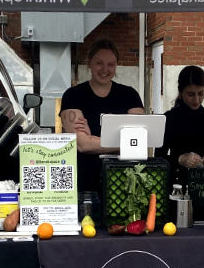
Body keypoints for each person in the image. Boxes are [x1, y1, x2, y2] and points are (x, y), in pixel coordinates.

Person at [60, 38, 144, 193]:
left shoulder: (130, 95)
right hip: (83, 180)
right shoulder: (73, 95)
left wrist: (93, 139)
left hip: (123, 181)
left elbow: (141, 143)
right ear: (89, 62)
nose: (105, 69)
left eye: (111, 64)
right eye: (99, 63)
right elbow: (82, 144)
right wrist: (126, 142)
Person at [157, 65, 204, 185]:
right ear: (181, 92)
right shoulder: (169, 119)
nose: (196, 100)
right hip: (176, 186)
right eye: (191, 94)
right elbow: (158, 158)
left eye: (201, 94)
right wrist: (180, 159)